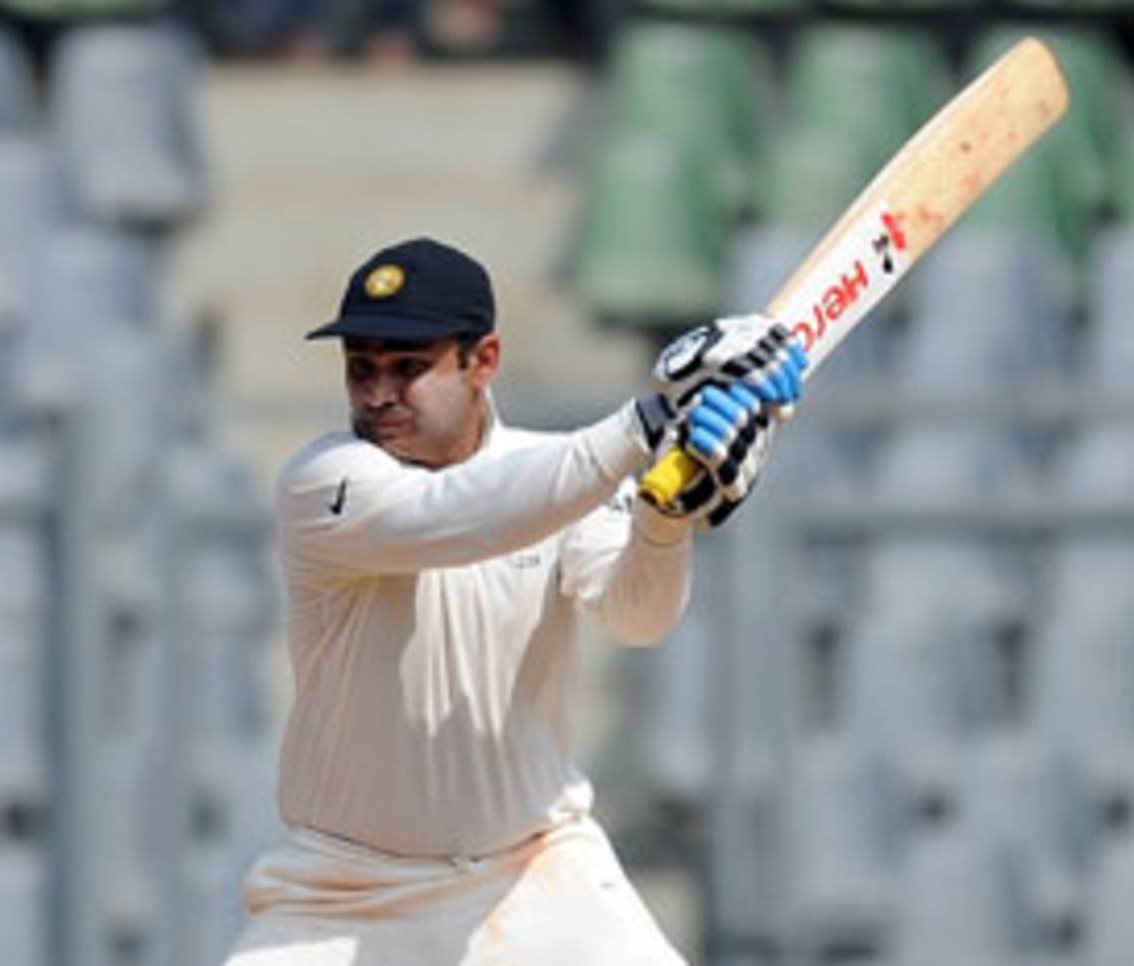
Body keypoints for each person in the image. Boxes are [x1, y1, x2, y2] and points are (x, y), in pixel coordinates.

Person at [224, 237, 806, 965]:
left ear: (484, 361)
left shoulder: (559, 475)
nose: (378, 395)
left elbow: (639, 617)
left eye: (409, 369)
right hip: (346, 891)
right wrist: (653, 422)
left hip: (531, 874)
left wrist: (665, 520)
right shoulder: (325, 482)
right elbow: (461, 513)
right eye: (361, 369)